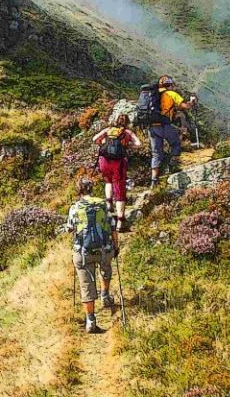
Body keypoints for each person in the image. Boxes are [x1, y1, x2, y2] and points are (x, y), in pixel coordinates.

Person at [68, 177, 119, 333]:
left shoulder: (75, 207)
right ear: (92, 189)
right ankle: (105, 295)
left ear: (79, 190)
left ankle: (90, 320)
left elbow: (71, 228)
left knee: (86, 285)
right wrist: (115, 246)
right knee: (106, 268)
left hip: (83, 251)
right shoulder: (104, 204)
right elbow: (113, 227)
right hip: (104, 248)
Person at [93, 114, 141, 232]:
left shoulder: (108, 130)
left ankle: (109, 203)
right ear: (127, 122)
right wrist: (128, 145)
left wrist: (103, 144)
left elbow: (94, 139)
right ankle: (120, 221)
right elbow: (139, 144)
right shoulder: (128, 133)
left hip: (104, 160)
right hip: (118, 163)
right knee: (119, 190)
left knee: (108, 181)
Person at [149, 75, 196, 188]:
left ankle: (154, 180)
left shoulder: (151, 94)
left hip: (152, 126)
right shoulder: (171, 94)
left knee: (156, 153)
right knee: (175, 143)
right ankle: (172, 165)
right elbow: (185, 106)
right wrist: (192, 101)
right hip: (164, 125)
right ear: (170, 85)